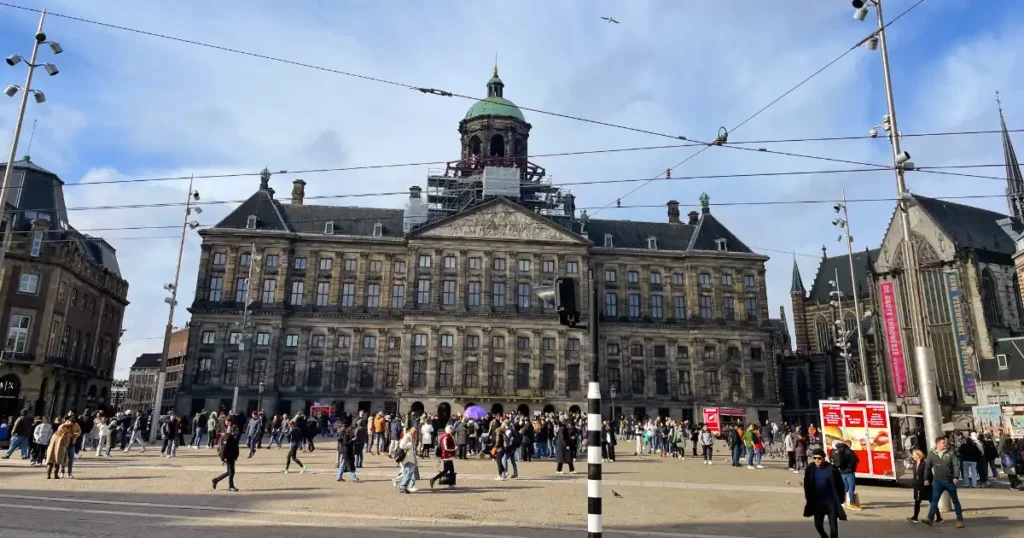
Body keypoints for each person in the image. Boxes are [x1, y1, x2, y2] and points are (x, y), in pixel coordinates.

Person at [921, 436, 965, 528]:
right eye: (943, 443)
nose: (945, 444)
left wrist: (956, 476)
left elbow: (956, 465)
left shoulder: (951, 453)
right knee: (934, 500)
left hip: (949, 481)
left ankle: (960, 520)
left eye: (945, 442)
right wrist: (926, 479)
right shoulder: (931, 454)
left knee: (955, 501)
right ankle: (930, 518)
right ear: (937, 444)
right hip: (937, 482)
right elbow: (927, 467)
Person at [802, 448, 847, 538]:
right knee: (818, 525)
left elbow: (840, 484)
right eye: (814, 458)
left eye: (819, 458)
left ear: (823, 458)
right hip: (818, 502)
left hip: (831, 502)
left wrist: (841, 498)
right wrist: (808, 498)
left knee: (833, 526)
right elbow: (806, 484)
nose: (817, 460)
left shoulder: (832, 469)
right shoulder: (810, 468)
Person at [907, 448, 941, 523]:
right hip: (917, 485)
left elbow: (930, 474)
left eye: (914, 455)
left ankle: (939, 517)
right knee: (917, 501)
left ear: (918, 456)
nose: (913, 456)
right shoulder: (915, 463)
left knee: (931, 500)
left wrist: (927, 481)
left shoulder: (924, 464)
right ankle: (915, 517)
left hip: (924, 485)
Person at [831, 440, 861, 510]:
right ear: (849, 444)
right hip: (849, 472)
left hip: (841, 472)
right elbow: (856, 460)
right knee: (851, 488)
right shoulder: (849, 451)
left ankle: (843, 501)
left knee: (845, 487)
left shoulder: (837, 450)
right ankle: (852, 503)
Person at [212, 425, 240, 491]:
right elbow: (224, 449)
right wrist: (223, 458)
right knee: (232, 472)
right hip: (228, 457)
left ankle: (216, 480)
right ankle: (231, 486)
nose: (237, 432)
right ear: (233, 431)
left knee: (229, 472)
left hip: (232, 457)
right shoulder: (228, 437)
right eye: (236, 430)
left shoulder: (233, 437)